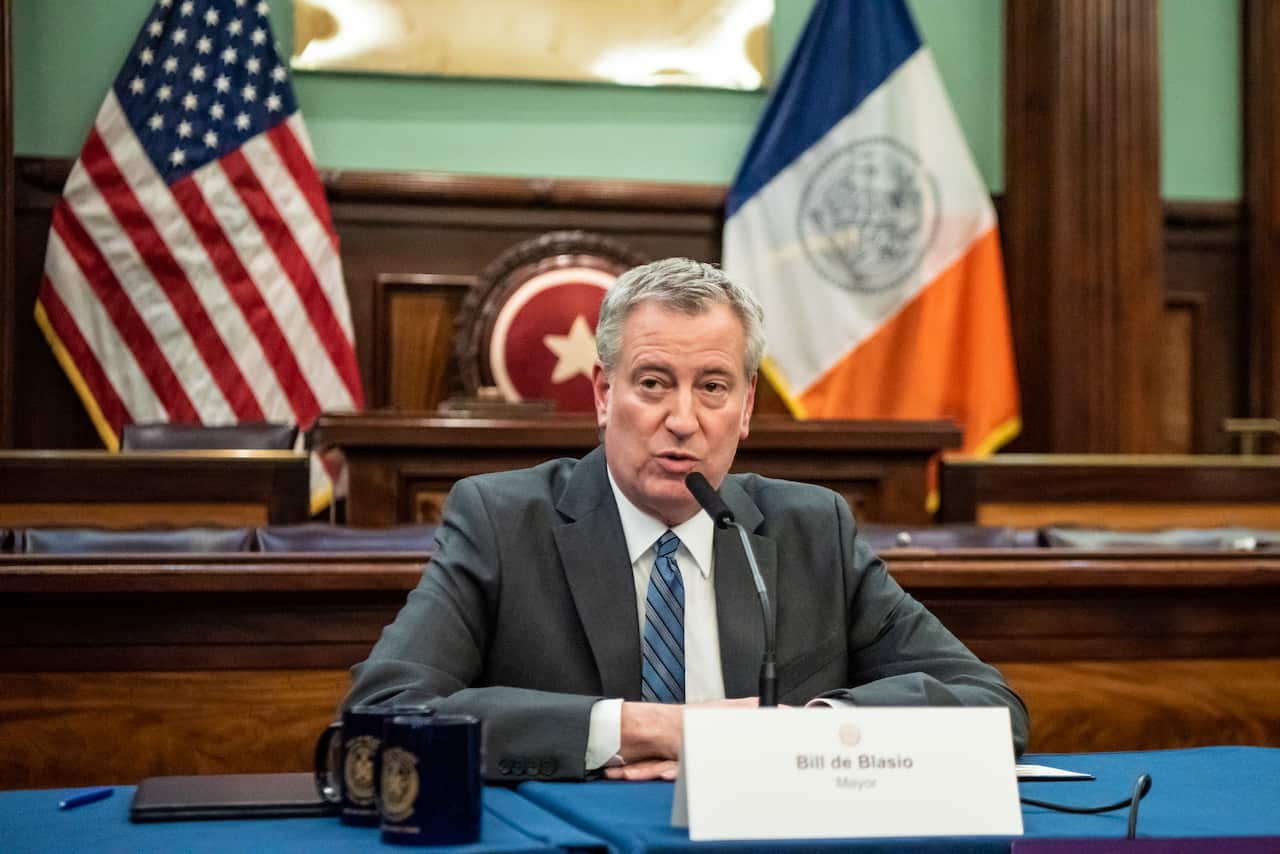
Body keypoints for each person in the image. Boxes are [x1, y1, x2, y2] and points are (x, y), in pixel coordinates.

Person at [344, 257, 1029, 782]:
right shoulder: (502, 521)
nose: (682, 419)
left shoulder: (811, 529)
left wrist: (808, 732)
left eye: (712, 386)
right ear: (604, 395)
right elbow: (383, 715)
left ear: (747, 407)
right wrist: (652, 729)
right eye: (652, 383)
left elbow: (992, 708)